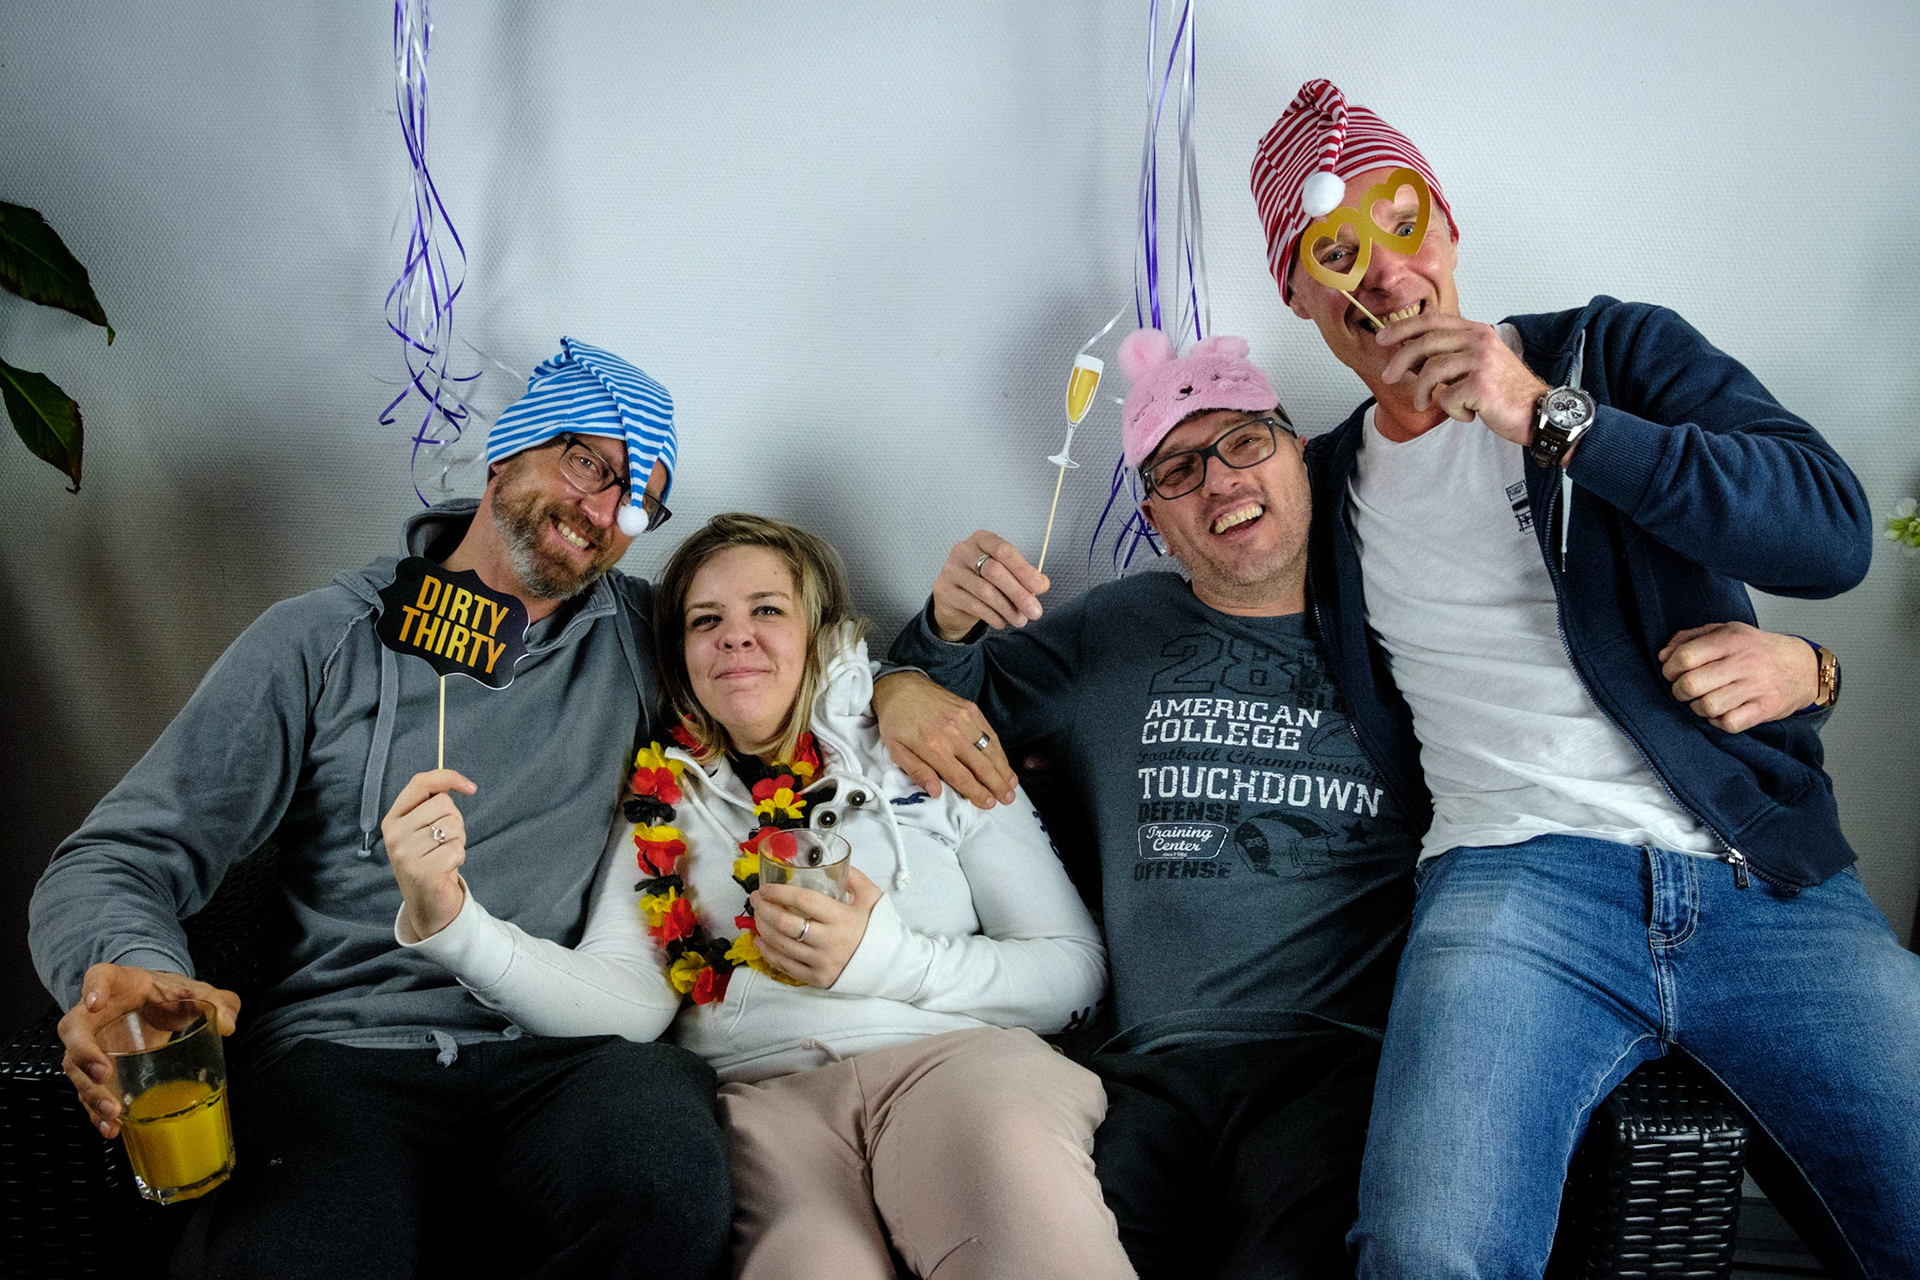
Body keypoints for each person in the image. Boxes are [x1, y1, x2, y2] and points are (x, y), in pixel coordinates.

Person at [1251, 79, 1920, 1278]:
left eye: (1405, 225)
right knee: (1426, 1248)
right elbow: (1187, 594)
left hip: (1760, 876)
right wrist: (919, 669)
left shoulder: (1612, 351)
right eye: (1336, 253)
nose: (1388, 274)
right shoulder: (1322, 487)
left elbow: (1831, 536)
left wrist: (1549, 417)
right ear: (1297, 293)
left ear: (1450, 229)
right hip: (1512, 889)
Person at [29, 337, 731, 1279]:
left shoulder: (650, 638)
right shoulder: (320, 639)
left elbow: (801, 669)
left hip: (566, 1051)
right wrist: (142, 975)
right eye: (586, 463)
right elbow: (112, 860)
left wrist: (911, 680)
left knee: (663, 1194)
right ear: (507, 451)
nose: (605, 511)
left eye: (639, 498)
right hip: (342, 1053)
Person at [396, 512, 1132, 1280]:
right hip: (768, 1104)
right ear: (679, 655)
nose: (735, 637)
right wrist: (454, 924)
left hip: (959, 1067)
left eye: (768, 610)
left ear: (819, 633)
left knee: (1013, 1209)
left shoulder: (927, 743)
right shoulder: (662, 798)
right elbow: (626, 1002)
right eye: (705, 620)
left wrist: (885, 959)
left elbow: (1076, 973)